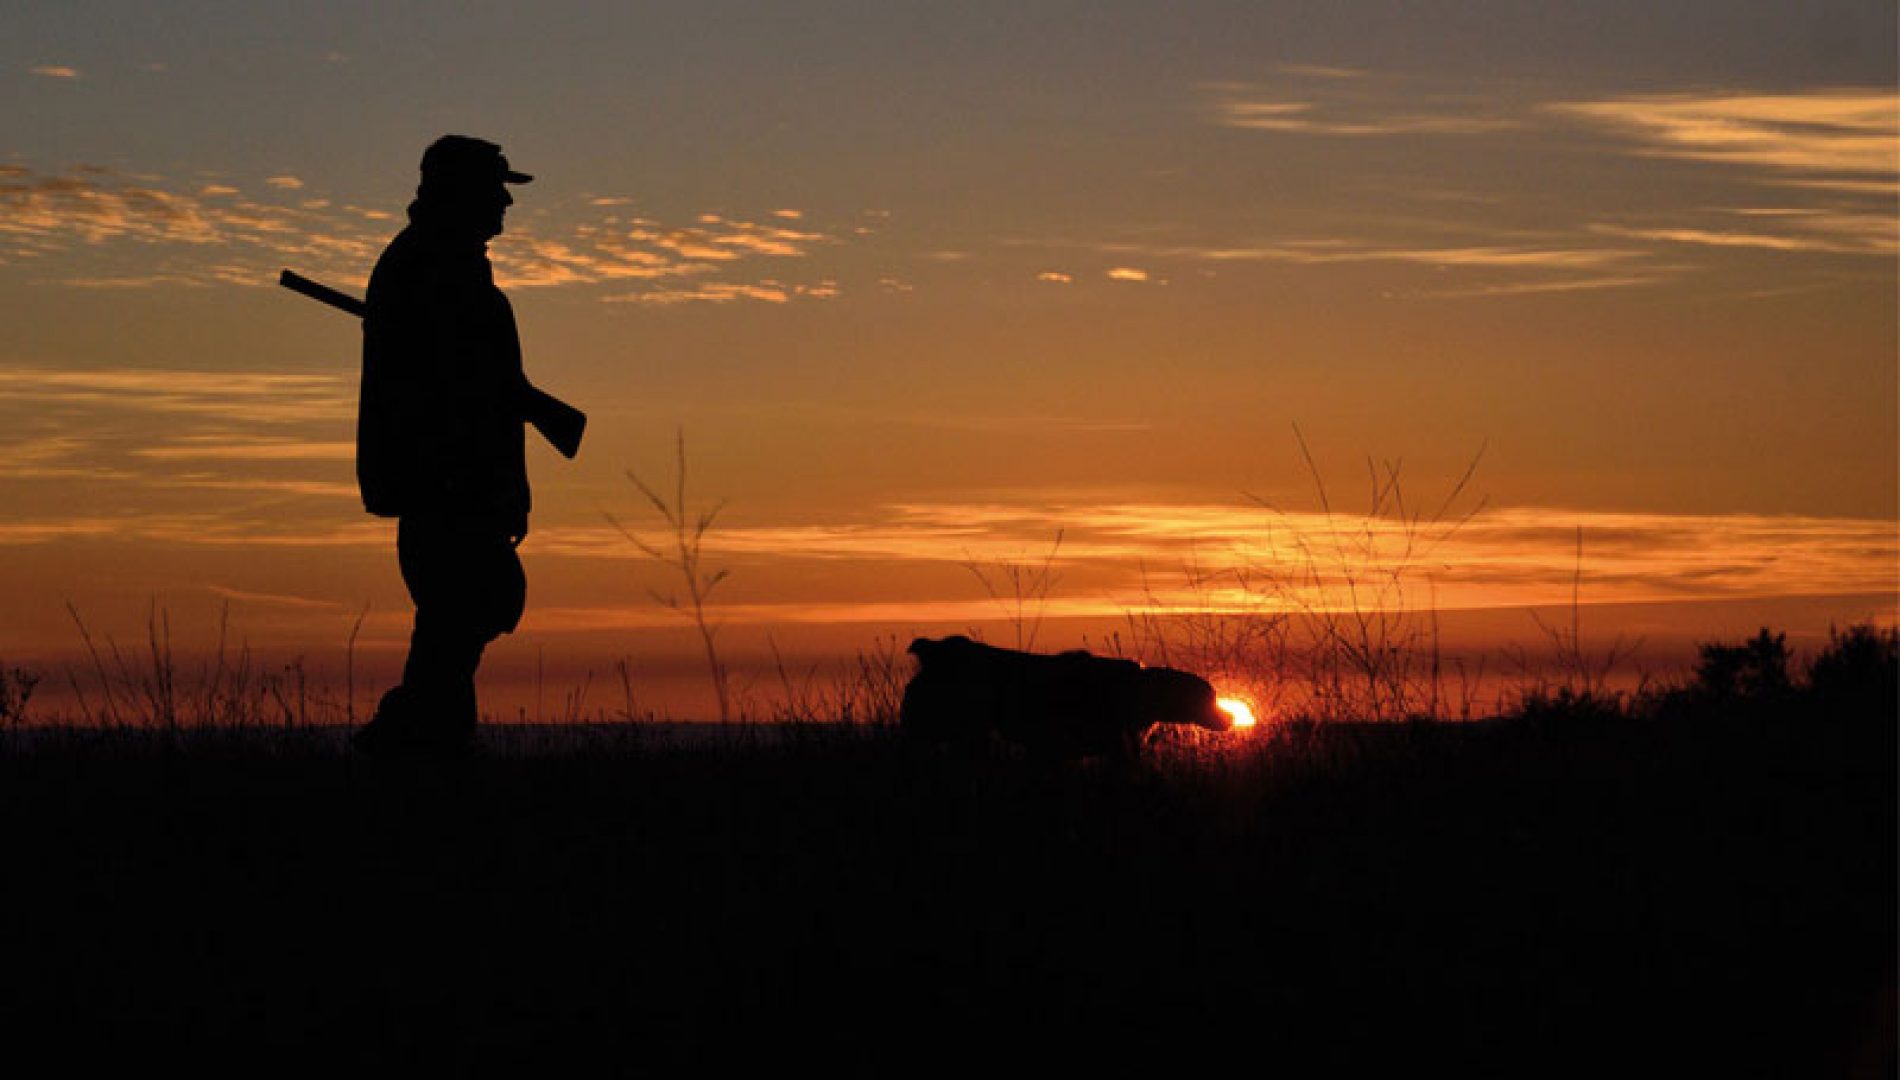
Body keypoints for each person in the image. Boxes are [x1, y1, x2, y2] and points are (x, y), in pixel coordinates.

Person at [352, 135, 538, 759]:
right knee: (450, 647)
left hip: (459, 494)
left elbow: (481, 390)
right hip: (446, 495)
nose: (504, 204)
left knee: (452, 645)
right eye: (495, 189)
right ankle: (397, 765)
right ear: (462, 193)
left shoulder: (443, 267)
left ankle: (411, 766)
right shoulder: (432, 269)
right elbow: (443, 399)